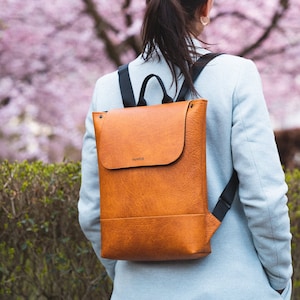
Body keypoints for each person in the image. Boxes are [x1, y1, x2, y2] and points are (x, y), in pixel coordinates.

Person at [78, 0, 293, 299]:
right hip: (234, 287)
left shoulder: (108, 88)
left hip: (137, 290)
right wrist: (279, 278)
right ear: (206, 8)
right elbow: (264, 196)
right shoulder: (235, 74)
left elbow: (91, 211)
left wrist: (130, 275)